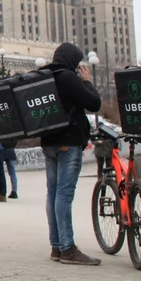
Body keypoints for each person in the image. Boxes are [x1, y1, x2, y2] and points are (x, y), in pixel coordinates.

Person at [41, 43, 102, 265]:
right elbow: (93, 103)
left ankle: (57, 247)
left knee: (53, 194)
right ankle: (68, 248)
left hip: (48, 143)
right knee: (64, 195)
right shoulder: (67, 77)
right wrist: (86, 81)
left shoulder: (46, 75)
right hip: (68, 142)